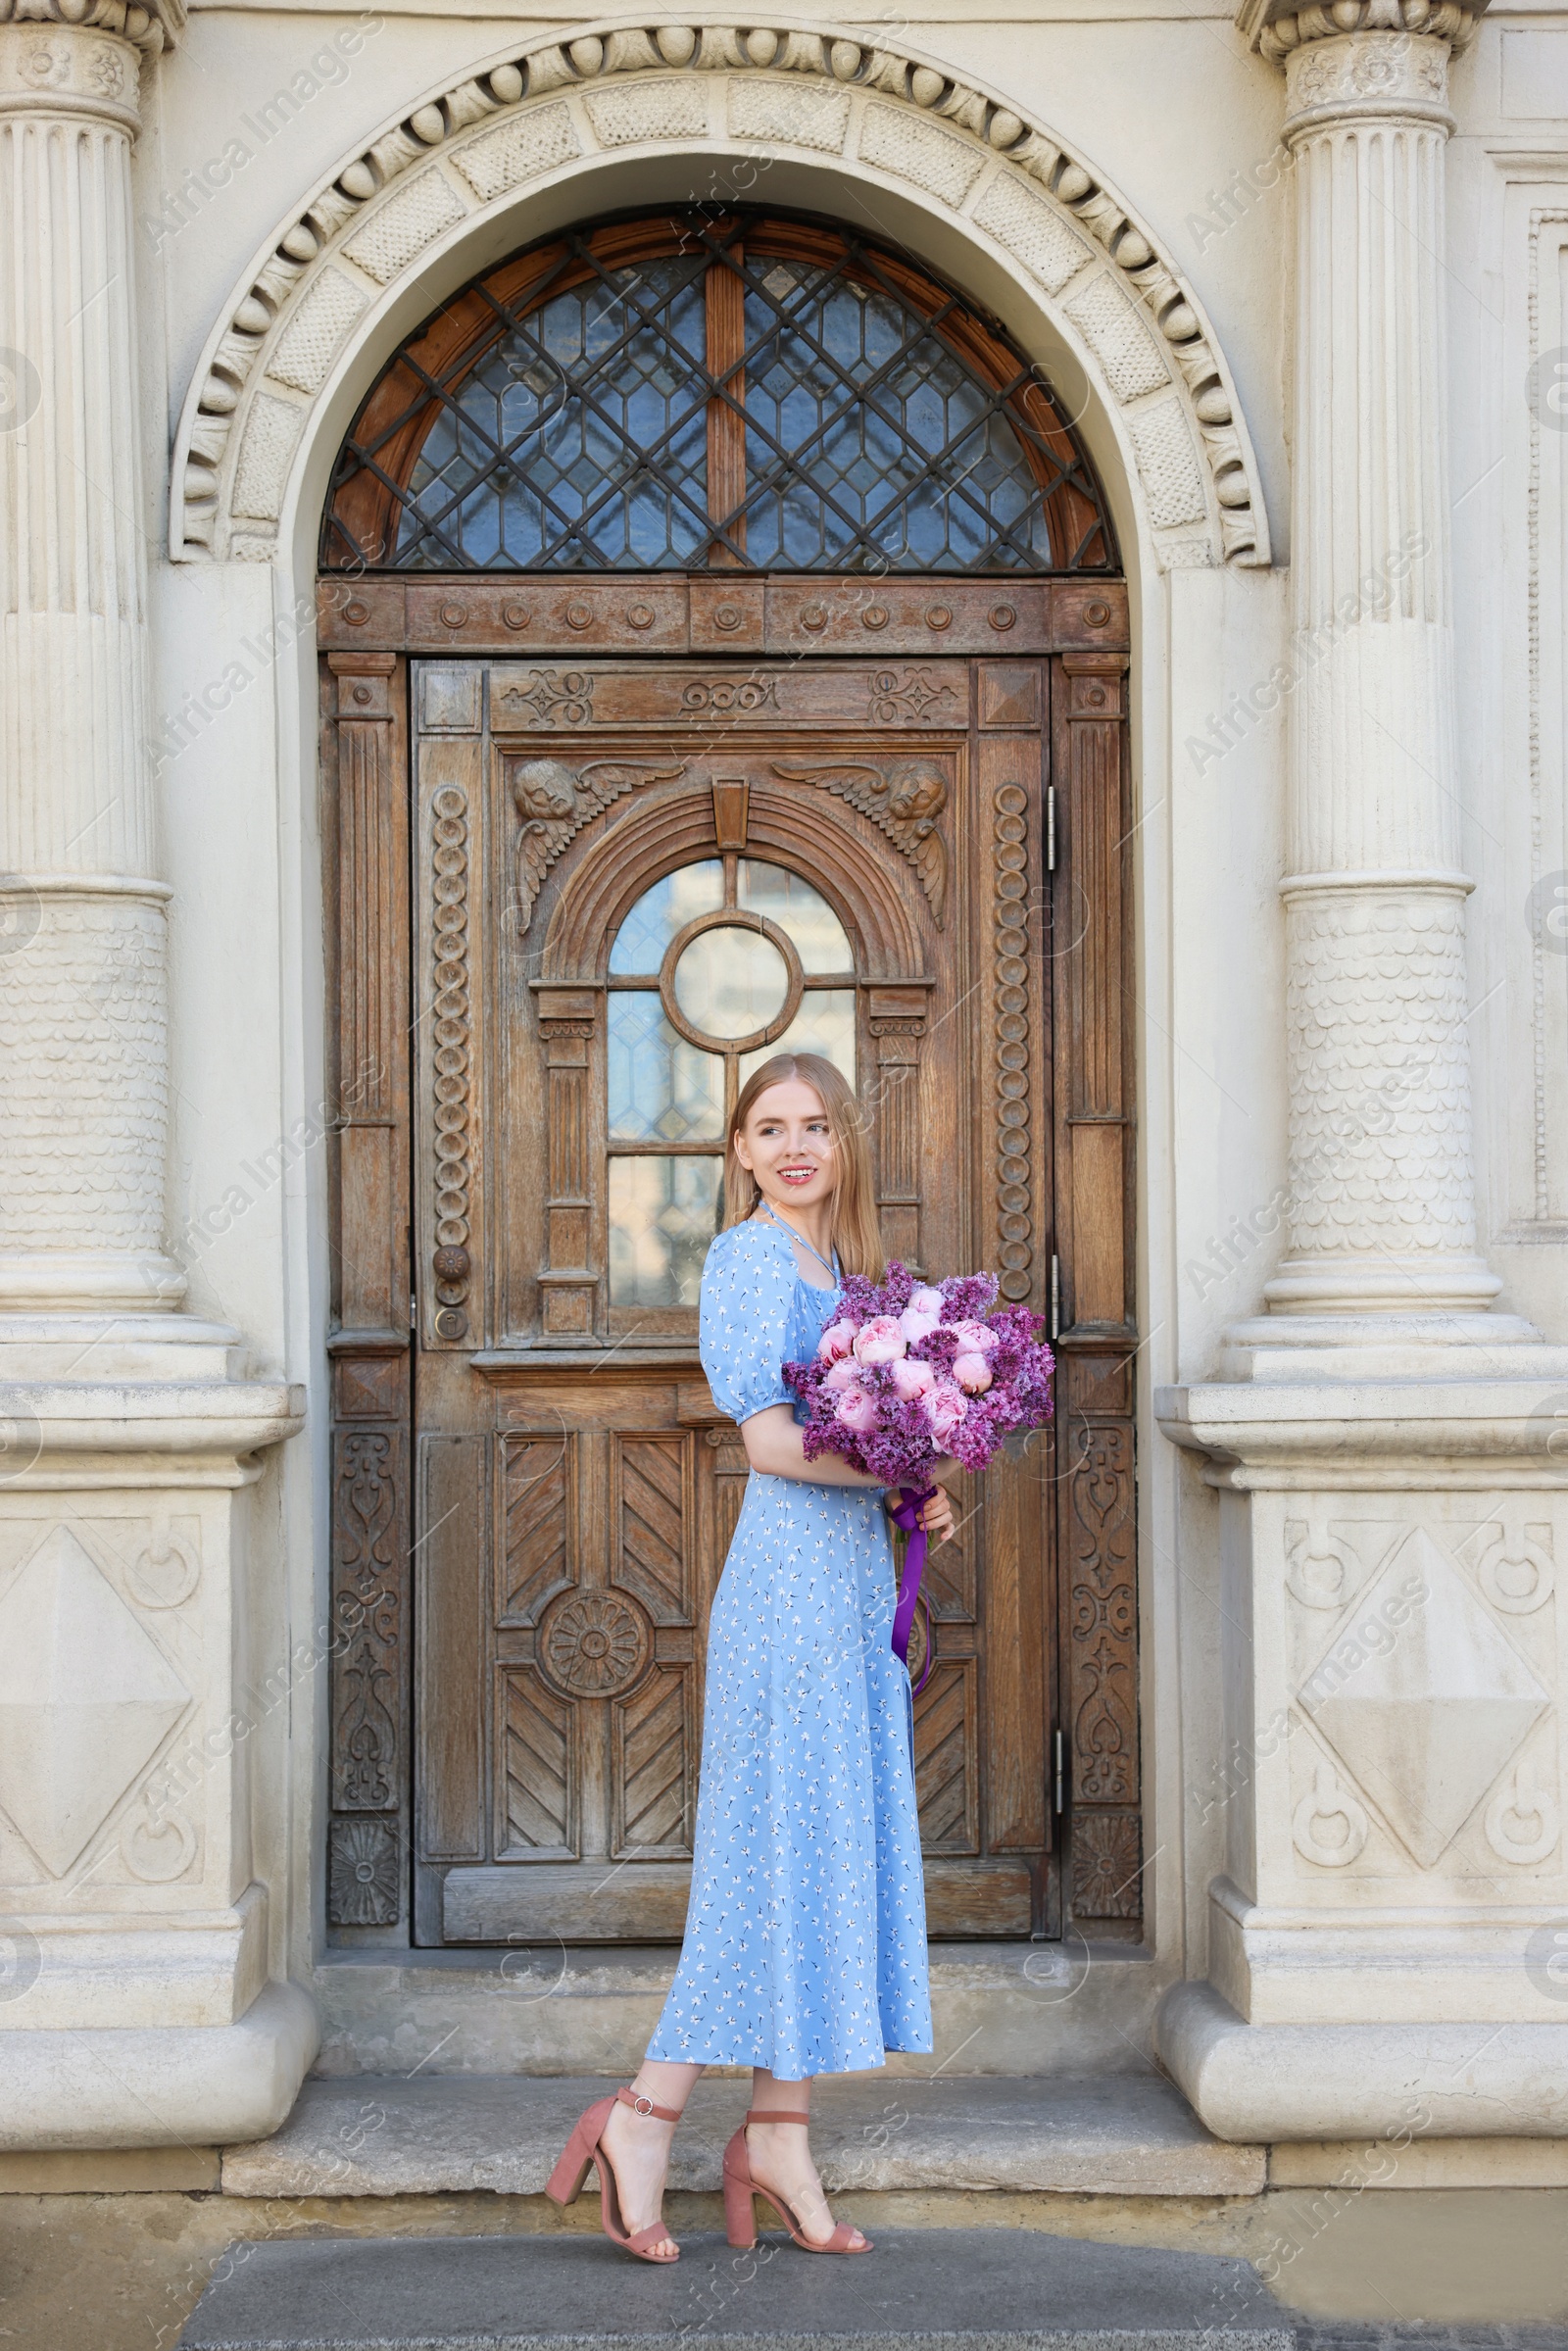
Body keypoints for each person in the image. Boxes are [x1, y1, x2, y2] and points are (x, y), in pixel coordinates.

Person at [546, 1053, 956, 2263]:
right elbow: (775, 1443)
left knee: (822, 1848)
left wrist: (921, 1490)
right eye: (768, 1126)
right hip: (782, 1594)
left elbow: (877, 1442)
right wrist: (901, 1470)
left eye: (814, 1124)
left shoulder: (856, 1280)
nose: (792, 1145)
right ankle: (644, 2113)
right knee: (762, 1855)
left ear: (843, 1143)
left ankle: (778, 2130)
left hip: (849, 1590)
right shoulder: (743, 1260)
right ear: (735, 1149)